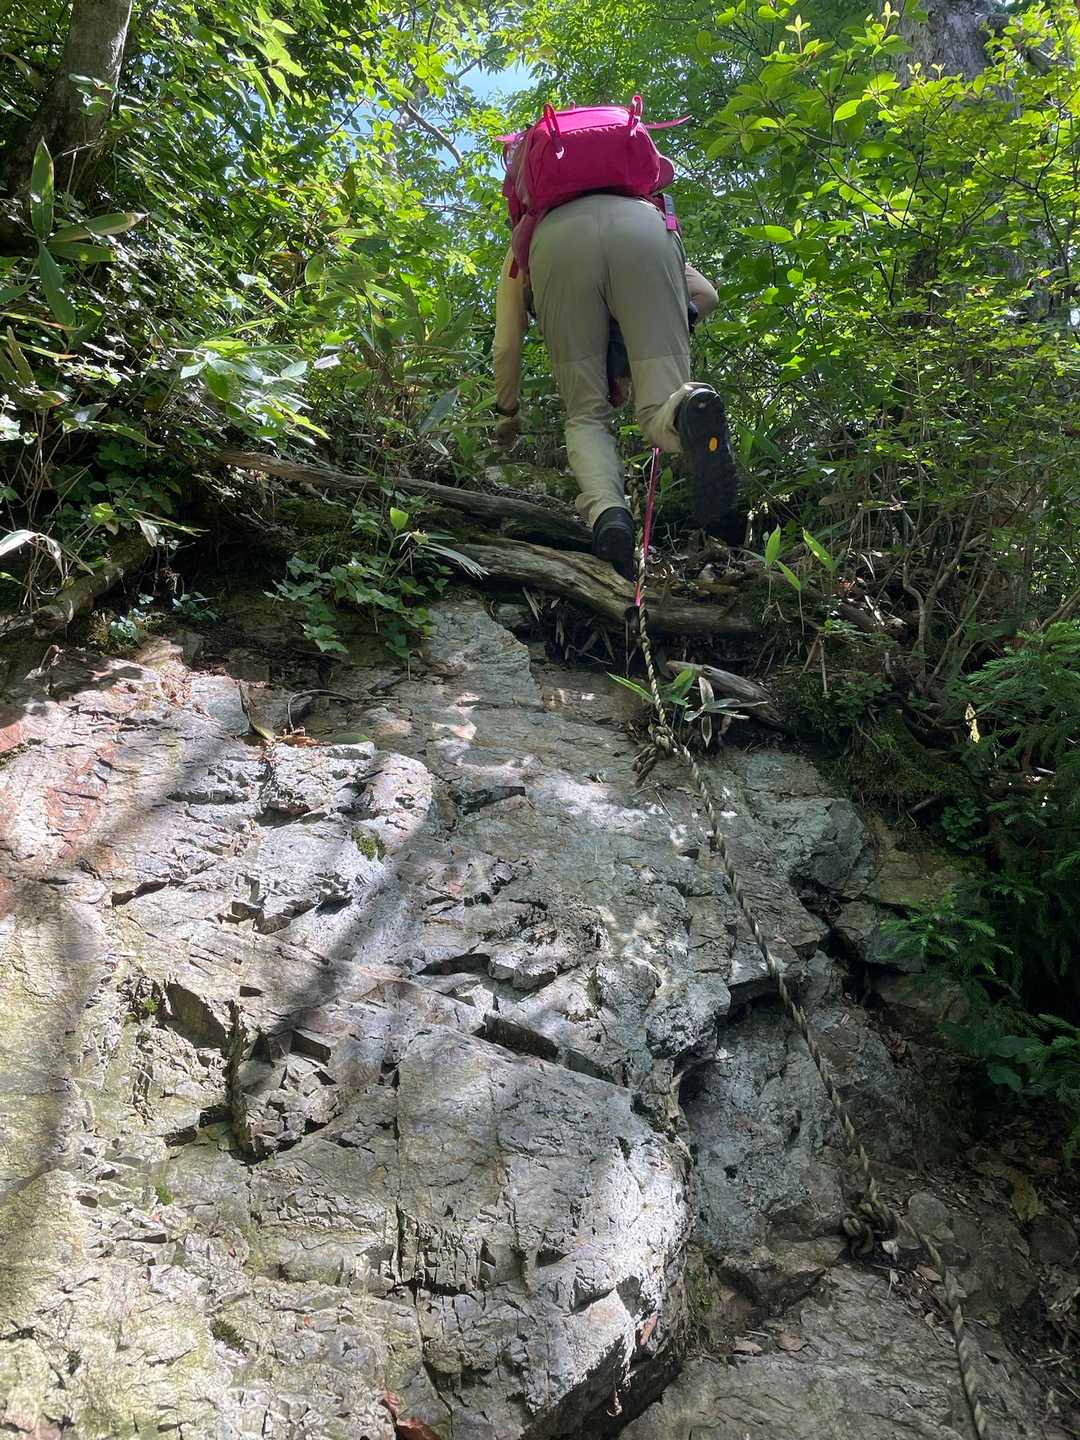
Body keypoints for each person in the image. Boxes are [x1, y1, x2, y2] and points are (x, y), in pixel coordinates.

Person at [491, 191, 743, 580]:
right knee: (660, 404)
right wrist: (653, 331)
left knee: (586, 416)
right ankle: (685, 407)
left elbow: (506, 345)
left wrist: (507, 412)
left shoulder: (527, 238)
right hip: (646, 233)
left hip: (556, 248)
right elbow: (706, 295)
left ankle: (610, 515)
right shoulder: (636, 206)